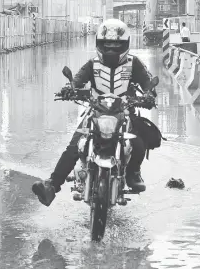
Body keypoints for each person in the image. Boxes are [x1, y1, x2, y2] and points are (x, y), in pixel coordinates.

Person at [32, 19, 157, 207]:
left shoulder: (134, 64)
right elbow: (78, 80)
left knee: (138, 143)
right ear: (99, 43)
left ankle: (133, 173)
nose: (112, 49)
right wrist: (70, 88)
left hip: (125, 112)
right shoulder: (92, 64)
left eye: (117, 45)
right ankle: (51, 186)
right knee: (75, 145)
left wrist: (149, 95)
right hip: (96, 112)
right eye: (107, 44)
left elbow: (148, 83)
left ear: (125, 44)